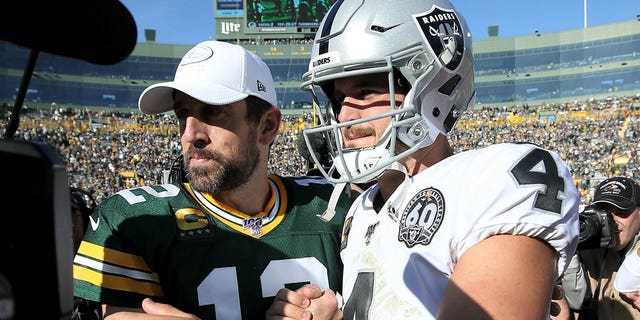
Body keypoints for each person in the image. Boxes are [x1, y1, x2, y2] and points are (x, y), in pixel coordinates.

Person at [267, 0, 580, 319]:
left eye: (366, 92)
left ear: (433, 87)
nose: (345, 115)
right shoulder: (361, 212)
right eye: (337, 99)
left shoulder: (494, 182)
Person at [72, 40, 351, 319]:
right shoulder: (135, 220)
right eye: (183, 114)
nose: (190, 134)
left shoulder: (337, 205)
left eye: (213, 111)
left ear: (266, 126)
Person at [562, 176, 640, 319]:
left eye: (622, 212)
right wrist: (570, 250)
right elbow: (576, 302)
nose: (613, 221)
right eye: (605, 212)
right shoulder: (588, 247)